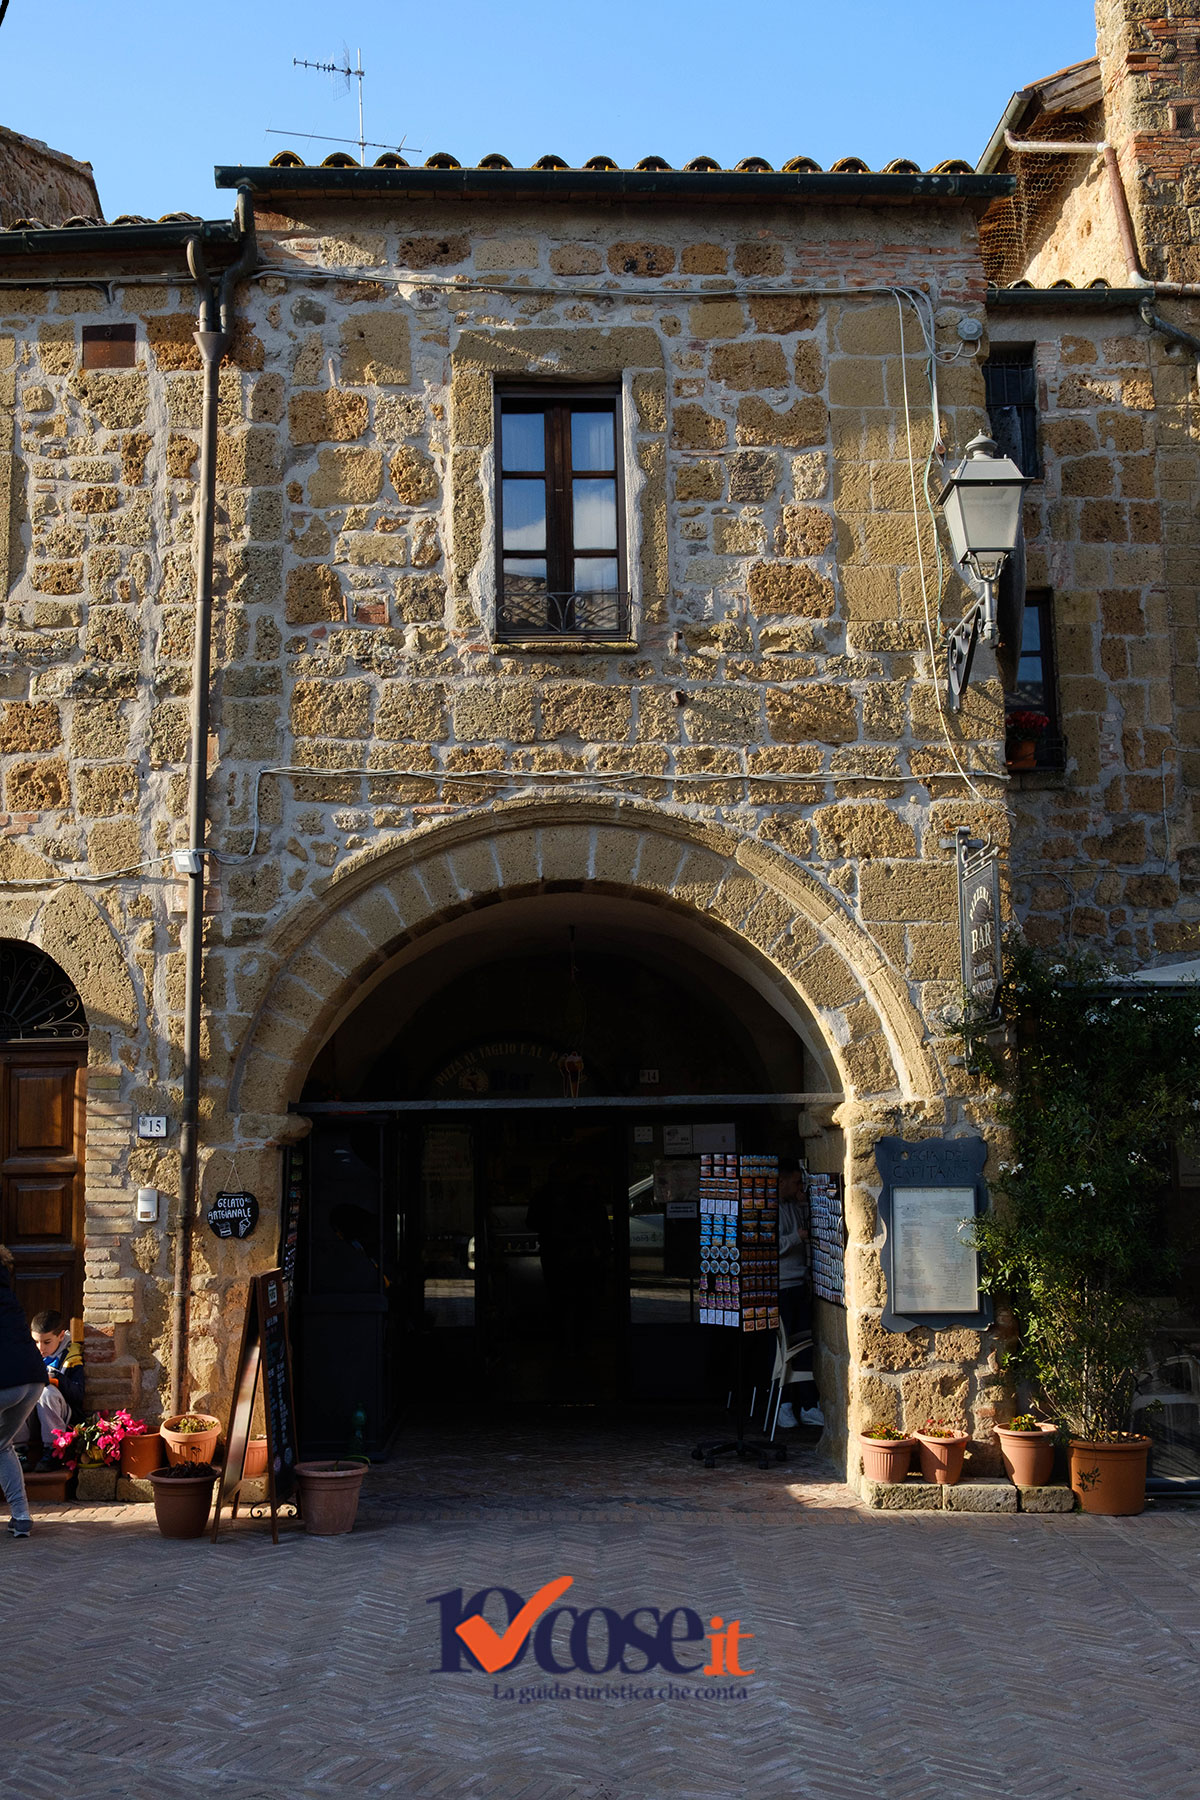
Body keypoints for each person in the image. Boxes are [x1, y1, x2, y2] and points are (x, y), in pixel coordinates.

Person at [0, 1245, 47, 1538]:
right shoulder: (7, 1292)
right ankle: (21, 1517)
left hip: (5, 1381)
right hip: (33, 1380)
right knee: (2, 1445)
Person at [776, 1161, 824, 1431]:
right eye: (795, 1182)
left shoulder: (792, 1204)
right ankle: (783, 1405)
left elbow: (804, 1215)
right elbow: (769, 1246)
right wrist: (796, 1237)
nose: (798, 1187)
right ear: (781, 1181)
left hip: (798, 1284)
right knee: (782, 1350)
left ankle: (808, 1405)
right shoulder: (769, 1208)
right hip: (781, 1287)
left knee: (804, 1346)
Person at [19, 1310, 85, 1470]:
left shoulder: (72, 1357)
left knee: (46, 1392)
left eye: (47, 1342)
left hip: (60, 1417)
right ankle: (18, 1450)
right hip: (30, 1417)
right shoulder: (26, 1353)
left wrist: (56, 1378)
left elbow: (78, 1395)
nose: (40, 1348)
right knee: (16, 1393)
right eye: (36, 1342)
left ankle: (53, 1449)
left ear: (61, 1336)